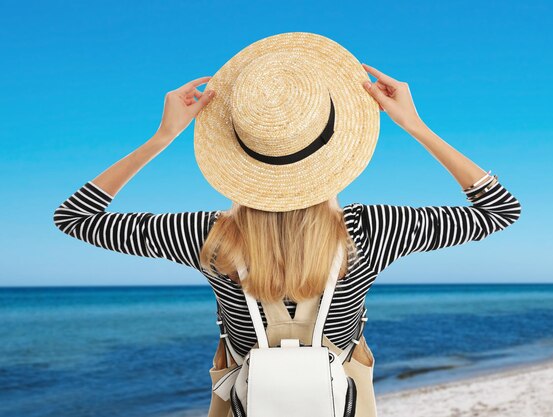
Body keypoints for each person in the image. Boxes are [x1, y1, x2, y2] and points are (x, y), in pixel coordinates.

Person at [53, 39, 521, 417]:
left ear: (237, 153)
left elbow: (74, 217)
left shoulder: (209, 238)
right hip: (341, 402)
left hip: (247, 401)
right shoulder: (371, 229)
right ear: (335, 151)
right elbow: (499, 209)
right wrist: (416, 126)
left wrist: (162, 138)